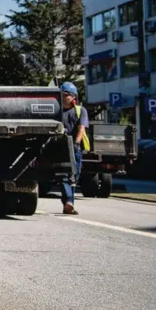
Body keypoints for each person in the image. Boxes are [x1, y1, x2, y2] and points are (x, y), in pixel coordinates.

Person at [58, 81, 89, 215]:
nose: (63, 97)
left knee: (74, 176)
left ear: (73, 96)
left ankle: (68, 202)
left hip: (74, 147)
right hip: (60, 146)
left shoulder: (80, 110)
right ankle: (69, 202)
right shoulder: (56, 110)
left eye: (65, 95)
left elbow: (81, 128)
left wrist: (76, 143)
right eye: (61, 94)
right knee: (64, 175)